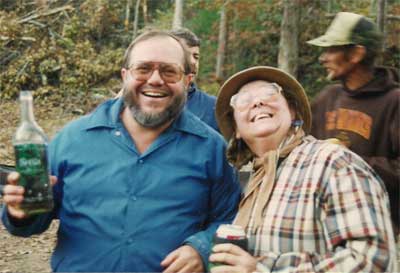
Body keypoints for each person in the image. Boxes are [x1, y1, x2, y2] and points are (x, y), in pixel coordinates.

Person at [1, 30, 241, 272]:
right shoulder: (72, 140)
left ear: (187, 80)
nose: (155, 79)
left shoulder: (212, 148)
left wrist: (200, 248)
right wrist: (21, 212)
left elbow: (231, 218)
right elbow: (33, 218)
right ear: (125, 75)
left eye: (170, 71)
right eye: (143, 69)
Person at [208, 66, 397, 272]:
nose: (257, 101)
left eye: (269, 92)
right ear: (235, 129)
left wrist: (264, 268)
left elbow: (373, 260)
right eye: (242, 100)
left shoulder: (333, 162)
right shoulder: (248, 181)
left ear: (293, 111)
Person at [307, 12, 400, 235]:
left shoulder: (394, 101)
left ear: (357, 53)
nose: (323, 58)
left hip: (378, 230)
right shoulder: (326, 98)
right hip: (324, 226)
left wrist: (349, 159)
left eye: (332, 49)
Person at [170, 27, 219, 132]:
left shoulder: (214, 107)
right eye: (186, 54)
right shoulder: (148, 101)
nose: (193, 62)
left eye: (196, 57)